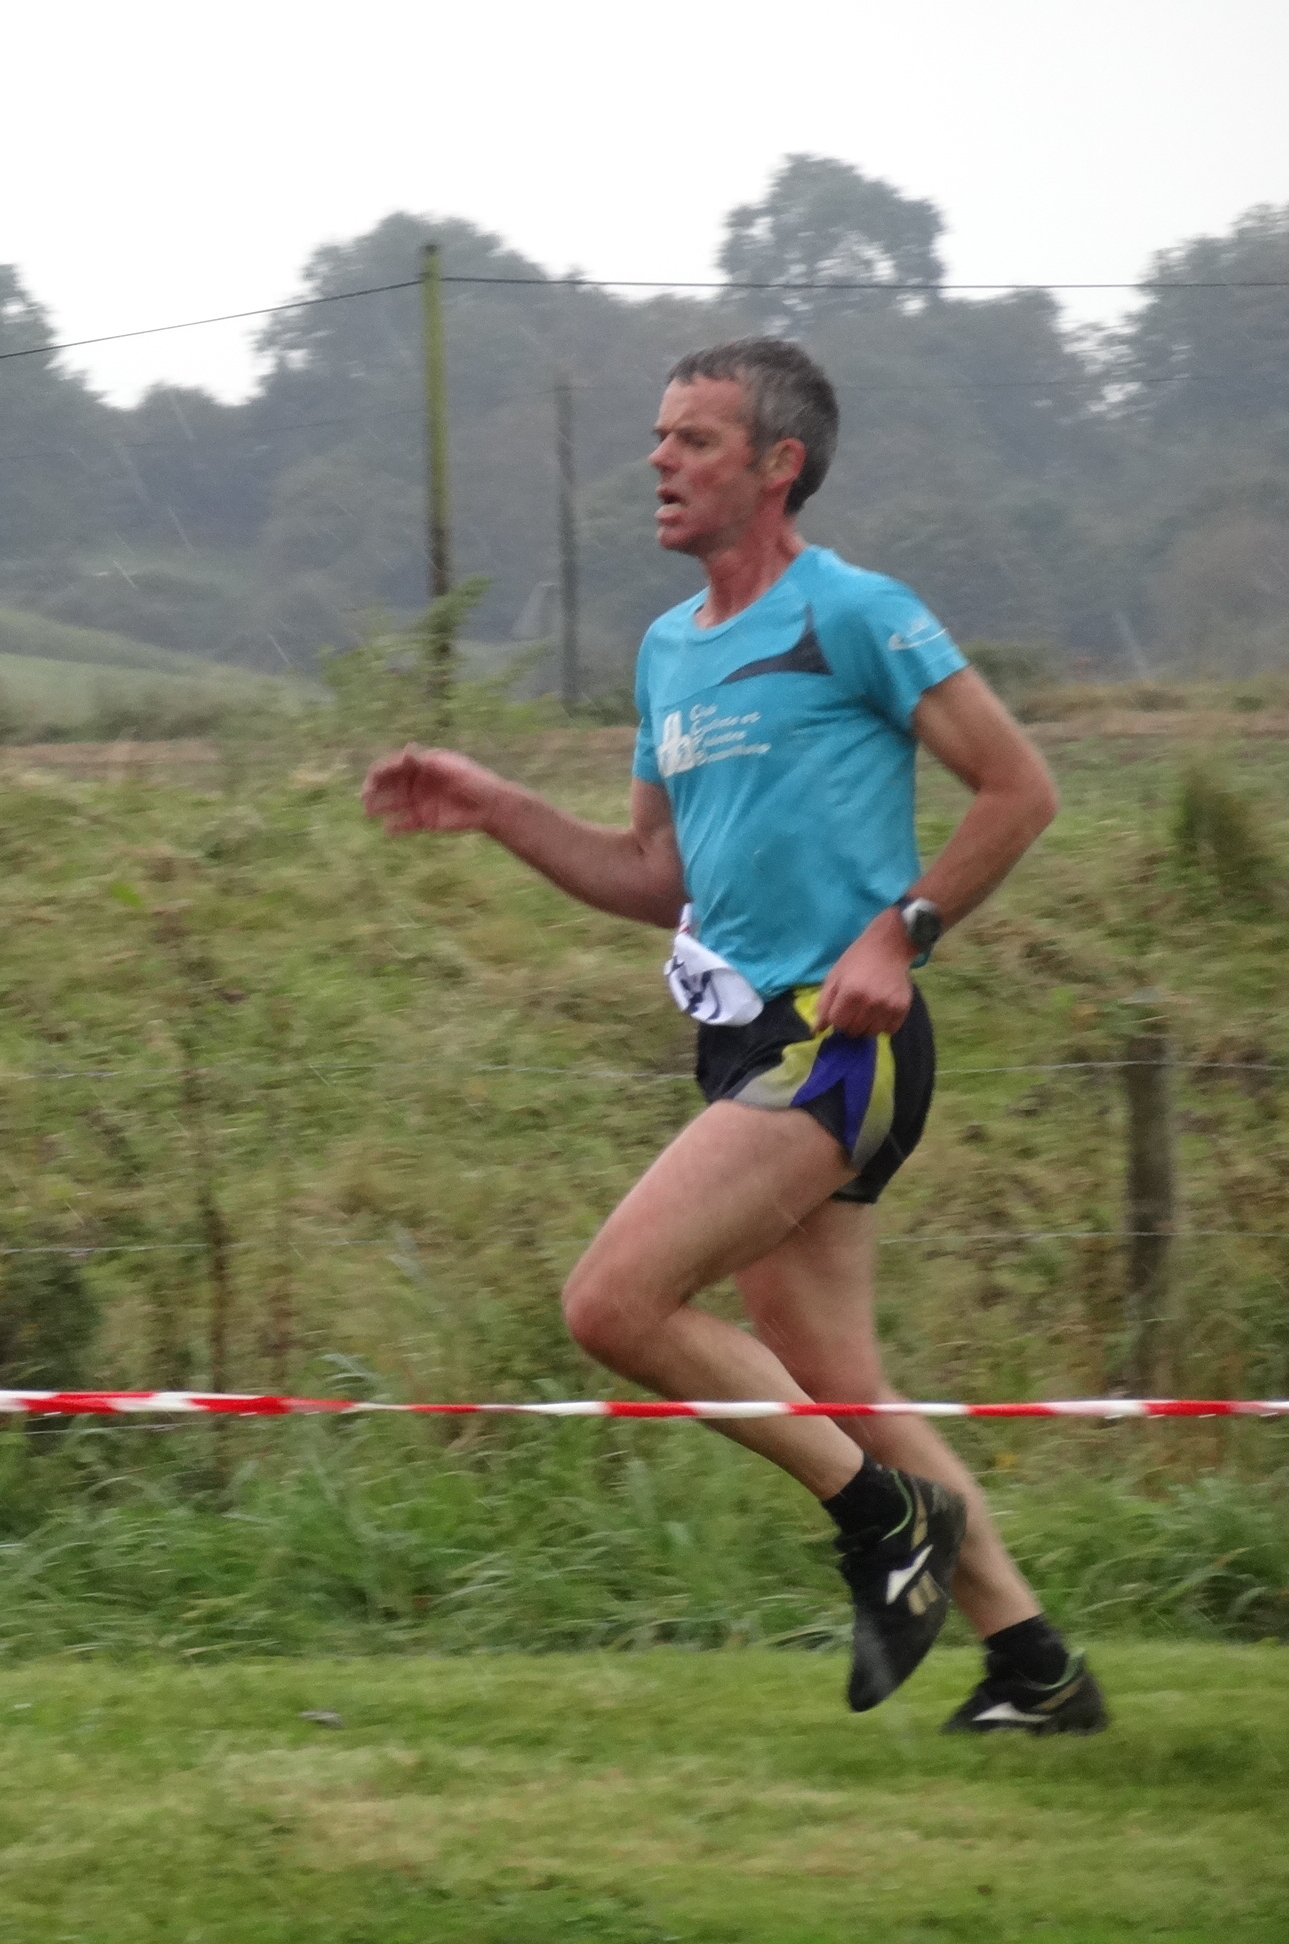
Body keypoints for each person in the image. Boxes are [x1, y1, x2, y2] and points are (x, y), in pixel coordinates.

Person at [360, 337, 1105, 1733]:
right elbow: (658, 877)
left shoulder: (857, 613)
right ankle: (1036, 1669)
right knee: (834, 1385)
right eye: (660, 436)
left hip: (842, 1037)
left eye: (694, 439)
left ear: (779, 465)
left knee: (613, 1304)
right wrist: (499, 807)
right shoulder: (667, 651)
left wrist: (903, 931)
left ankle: (887, 1522)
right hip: (743, 1040)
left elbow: (1021, 789)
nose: (659, 459)